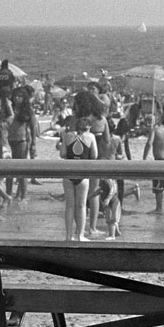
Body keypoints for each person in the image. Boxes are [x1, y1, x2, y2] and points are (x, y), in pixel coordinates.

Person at [71, 89, 109, 236]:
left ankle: (78, 228)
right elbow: (107, 141)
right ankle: (92, 228)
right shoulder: (101, 120)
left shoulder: (76, 120)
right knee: (94, 194)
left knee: (77, 196)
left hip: (78, 159)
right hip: (96, 160)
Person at [59, 116, 98, 241]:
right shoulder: (91, 137)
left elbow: (63, 154)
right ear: (87, 127)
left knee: (69, 205)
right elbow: (94, 155)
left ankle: (68, 235)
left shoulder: (67, 135)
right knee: (81, 205)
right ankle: (80, 236)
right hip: (83, 174)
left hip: (68, 173)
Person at [143, 107, 164, 216]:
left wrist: (144, 158)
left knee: (158, 186)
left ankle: (159, 208)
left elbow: (149, 143)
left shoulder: (155, 130)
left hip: (159, 160)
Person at [6, 87, 38, 201]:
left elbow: (33, 127)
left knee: (21, 170)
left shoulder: (27, 110)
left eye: (19, 96)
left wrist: (34, 143)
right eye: (15, 96)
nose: (16, 98)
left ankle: (23, 196)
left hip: (22, 140)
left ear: (24, 98)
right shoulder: (9, 108)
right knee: (9, 170)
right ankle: (8, 194)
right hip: (9, 141)